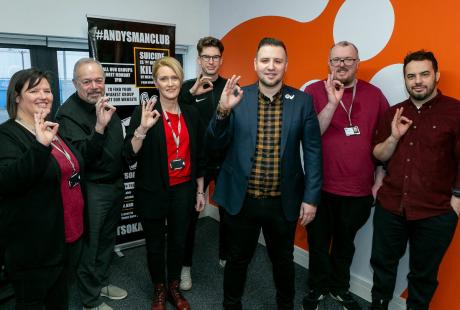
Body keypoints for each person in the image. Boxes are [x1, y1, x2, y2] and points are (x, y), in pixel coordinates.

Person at [206, 37, 322, 310]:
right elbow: (213, 146)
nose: (271, 66)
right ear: (255, 64)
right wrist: (222, 111)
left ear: (285, 65)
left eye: (277, 61)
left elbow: (314, 153)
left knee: (283, 260)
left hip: (283, 202)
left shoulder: (303, 102)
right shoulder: (237, 97)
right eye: (266, 60)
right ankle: (231, 305)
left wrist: (311, 198)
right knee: (237, 260)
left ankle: (285, 306)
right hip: (242, 200)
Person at [0, 68, 114, 309]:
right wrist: (40, 146)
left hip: (67, 237)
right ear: (17, 97)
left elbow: (79, 160)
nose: (43, 96)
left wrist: (100, 128)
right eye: (34, 91)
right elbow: (9, 181)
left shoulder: (51, 129)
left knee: (59, 299)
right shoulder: (7, 135)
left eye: (47, 90)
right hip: (35, 248)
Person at [302, 41, 389, 310]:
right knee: (318, 245)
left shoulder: (375, 95)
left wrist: (379, 180)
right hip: (319, 189)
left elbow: (385, 140)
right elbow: (309, 135)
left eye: (348, 60)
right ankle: (316, 288)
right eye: (336, 59)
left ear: (357, 63)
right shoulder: (313, 91)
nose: (341, 64)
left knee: (344, 245)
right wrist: (331, 103)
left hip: (358, 191)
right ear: (328, 63)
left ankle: (339, 287)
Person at [370, 50, 460, 310]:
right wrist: (393, 137)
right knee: (382, 267)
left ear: (436, 76)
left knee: (423, 276)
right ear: (405, 80)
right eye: (411, 76)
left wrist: (456, 202)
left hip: (436, 213)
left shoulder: (455, 112)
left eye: (424, 74)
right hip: (390, 207)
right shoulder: (393, 113)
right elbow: (378, 154)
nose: (417, 81)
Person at [124, 56, 205, 310]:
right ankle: (158, 288)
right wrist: (142, 130)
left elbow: (199, 154)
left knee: (179, 240)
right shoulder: (146, 111)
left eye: (174, 77)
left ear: (181, 80)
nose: (170, 83)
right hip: (153, 190)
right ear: (155, 82)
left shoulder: (191, 112)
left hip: (184, 189)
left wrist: (200, 190)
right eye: (163, 78)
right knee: (155, 244)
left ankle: (173, 287)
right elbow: (128, 154)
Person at [56, 58, 126, 310]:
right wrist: (98, 127)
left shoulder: (105, 104)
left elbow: (116, 149)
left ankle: (101, 282)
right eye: (87, 81)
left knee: (108, 240)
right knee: (90, 244)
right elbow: (81, 159)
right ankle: (90, 300)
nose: (94, 86)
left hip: (114, 184)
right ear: (75, 83)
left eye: (99, 80)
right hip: (91, 189)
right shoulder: (66, 115)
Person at [179, 36, 228, 291]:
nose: (211, 61)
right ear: (199, 59)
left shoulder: (229, 87)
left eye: (216, 56)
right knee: (190, 216)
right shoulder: (187, 88)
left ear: (221, 59)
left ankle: (225, 255)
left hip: (225, 161)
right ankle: (185, 267)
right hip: (197, 163)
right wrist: (190, 95)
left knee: (229, 213)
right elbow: (175, 115)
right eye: (206, 56)